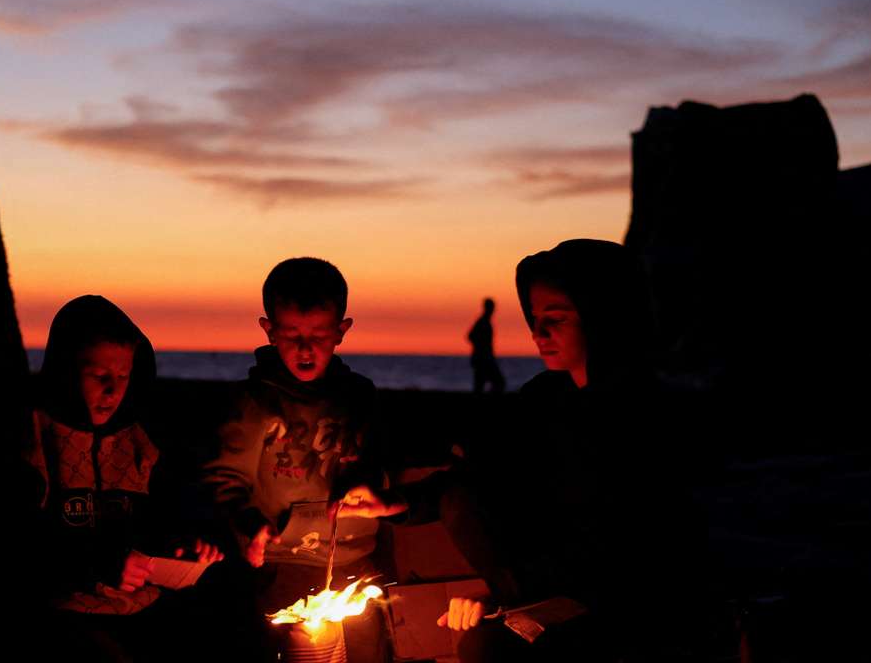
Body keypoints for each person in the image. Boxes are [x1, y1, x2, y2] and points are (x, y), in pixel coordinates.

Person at [445, 240, 705, 661]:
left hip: (631, 599)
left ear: (603, 318)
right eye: (534, 319)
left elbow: (628, 543)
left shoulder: (643, 415)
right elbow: (485, 465)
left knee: (487, 646)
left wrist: (515, 596)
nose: (538, 334)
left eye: (556, 319)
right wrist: (394, 500)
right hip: (554, 586)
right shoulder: (547, 397)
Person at [202, 258, 402, 663]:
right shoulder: (254, 401)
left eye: (318, 334)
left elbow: (377, 462)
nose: (305, 347)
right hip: (282, 563)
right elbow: (224, 477)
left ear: (341, 331)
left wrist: (369, 486)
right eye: (292, 334)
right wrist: (248, 522)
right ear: (269, 330)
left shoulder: (359, 395)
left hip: (354, 560)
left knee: (367, 653)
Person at [23, 295, 224, 663]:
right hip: (67, 615)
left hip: (143, 611)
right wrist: (101, 564)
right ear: (67, 372)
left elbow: (160, 518)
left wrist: (181, 547)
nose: (113, 391)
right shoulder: (35, 438)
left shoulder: (142, 443)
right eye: (99, 377)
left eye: (123, 377)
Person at [468, 297, 506, 394]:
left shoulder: (485, 322)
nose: (493, 310)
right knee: (498, 382)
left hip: (484, 358)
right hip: (483, 359)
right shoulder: (482, 322)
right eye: (491, 307)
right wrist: (480, 348)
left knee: (481, 385)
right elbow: (471, 336)